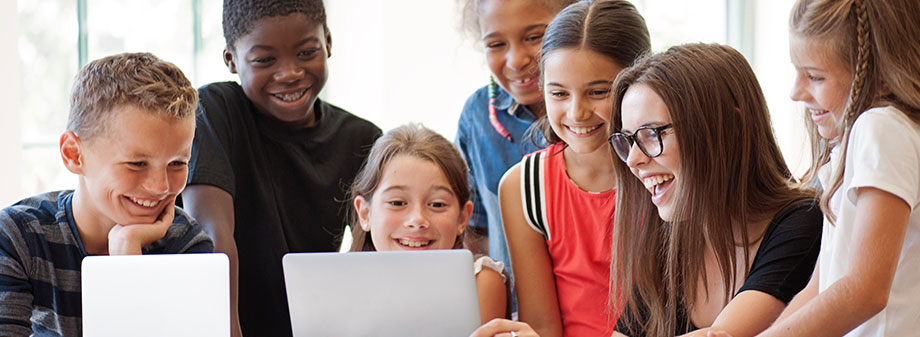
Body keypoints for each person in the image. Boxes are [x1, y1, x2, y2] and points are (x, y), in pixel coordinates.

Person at [180, 0, 382, 336]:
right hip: (223, 322)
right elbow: (212, 237)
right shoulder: (215, 112)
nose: (289, 72)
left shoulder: (361, 138)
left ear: (328, 43)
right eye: (264, 60)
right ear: (231, 59)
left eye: (306, 52)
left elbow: (375, 254)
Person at [608, 43, 823, 337]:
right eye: (628, 140)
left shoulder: (803, 223)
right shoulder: (673, 239)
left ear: (731, 128)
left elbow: (725, 334)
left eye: (652, 134)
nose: (634, 159)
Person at [0, 52, 214, 336]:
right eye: (137, 164)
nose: (161, 187)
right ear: (74, 154)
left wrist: (127, 254)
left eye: (177, 163)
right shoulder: (18, 238)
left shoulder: (186, 245)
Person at [750, 0, 920, 336]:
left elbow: (865, 290)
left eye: (814, 76)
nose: (796, 92)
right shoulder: (858, 141)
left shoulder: (881, 127)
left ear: (880, 77)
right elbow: (821, 288)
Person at [497, 0, 650, 336]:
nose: (577, 113)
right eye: (559, 93)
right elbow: (542, 325)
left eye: (598, 92)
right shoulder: (524, 187)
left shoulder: (663, 174)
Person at [455, 0, 576, 292]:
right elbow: (474, 232)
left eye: (534, 37)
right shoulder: (478, 116)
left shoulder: (601, 111)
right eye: (496, 44)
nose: (516, 60)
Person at [348, 124, 509, 323]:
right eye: (397, 203)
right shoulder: (343, 284)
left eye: (437, 204)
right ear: (365, 213)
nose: (417, 220)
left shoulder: (479, 281)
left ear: (463, 218)